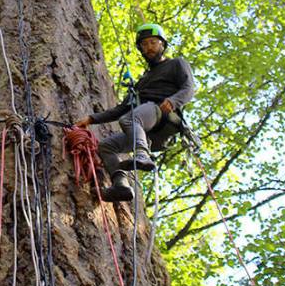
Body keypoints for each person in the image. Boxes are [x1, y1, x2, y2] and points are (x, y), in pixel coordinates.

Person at [75, 23, 196, 202]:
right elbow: (121, 109)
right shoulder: (141, 83)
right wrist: (91, 119)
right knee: (106, 146)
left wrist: (173, 101)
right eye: (144, 44)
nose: (149, 47)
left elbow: (189, 87)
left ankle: (142, 155)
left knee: (131, 118)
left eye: (153, 42)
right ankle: (120, 186)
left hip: (163, 115)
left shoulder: (176, 63)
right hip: (145, 129)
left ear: (163, 44)